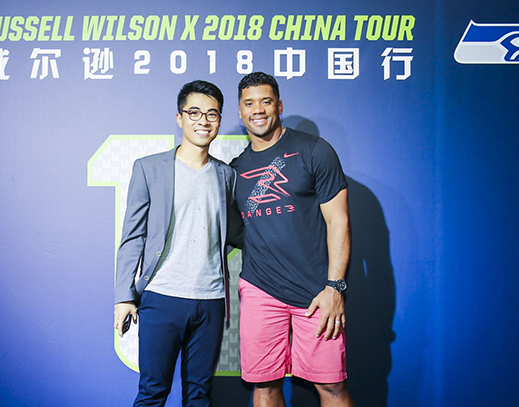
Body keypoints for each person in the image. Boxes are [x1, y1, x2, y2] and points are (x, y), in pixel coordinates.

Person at [230, 72, 355, 407]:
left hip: (316, 293)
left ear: (279, 105)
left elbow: (339, 221)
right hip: (260, 290)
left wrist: (335, 287)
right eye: (249, 103)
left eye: (266, 101)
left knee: (331, 387)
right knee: (264, 385)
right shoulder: (236, 169)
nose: (258, 109)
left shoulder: (314, 150)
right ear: (240, 113)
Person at [113, 80, 237, 407]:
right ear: (179, 118)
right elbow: (132, 237)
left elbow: (238, 231)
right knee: (152, 394)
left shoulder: (227, 175)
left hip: (211, 300)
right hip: (162, 297)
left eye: (212, 114)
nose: (203, 121)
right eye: (194, 112)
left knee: (199, 396)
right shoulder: (149, 169)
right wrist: (124, 296)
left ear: (219, 121)